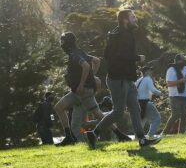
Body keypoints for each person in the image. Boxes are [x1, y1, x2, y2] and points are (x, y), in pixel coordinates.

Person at [85, 9, 161, 149]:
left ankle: (142, 140)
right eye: (133, 17)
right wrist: (137, 58)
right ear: (125, 20)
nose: (135, 19)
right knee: (118, 112)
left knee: (135, 108)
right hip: (118, 79)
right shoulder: (124, 35)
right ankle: (93, 133)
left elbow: (107, 54)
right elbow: (120, 56)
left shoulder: (115, 33)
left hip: (125, 78)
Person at [54, 32, 130, 146]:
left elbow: (86, 66)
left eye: (63, 41)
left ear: (67, 42)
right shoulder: (79, 52)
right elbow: (97, 60)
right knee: (59, 107)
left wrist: (82, 83)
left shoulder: (75, 54)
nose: (61, 44)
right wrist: (91, 77)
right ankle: (69, 137)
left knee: (98, 114)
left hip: (83, 91)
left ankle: (120, 135)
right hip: (76, 92)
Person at [162, 55, 186, 135]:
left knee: (185, 115)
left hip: (185, 95)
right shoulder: (171, 69)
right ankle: (164, 133)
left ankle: (181, 133)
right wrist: (180, 81)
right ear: (177, 61)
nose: (183, 62)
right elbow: (169, 84)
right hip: (175, 95)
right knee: (175, 115)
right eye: (181, 60)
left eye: (184, 60)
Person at [136, 66, 162, 137]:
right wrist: (160, 92)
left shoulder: (138, 81)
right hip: (146, 102)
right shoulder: (148, 79)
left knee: (143, 120)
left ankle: (138, 136)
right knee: (157, 118)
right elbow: (153, 90)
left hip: (138, 103)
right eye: (150, 70)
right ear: (146, 72)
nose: (151, 72)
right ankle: (150, 135)